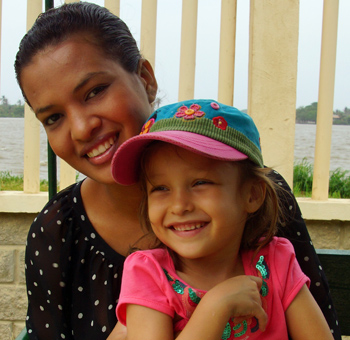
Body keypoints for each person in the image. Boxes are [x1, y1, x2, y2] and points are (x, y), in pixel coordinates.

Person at [14, 2, 340, 340]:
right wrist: (216, 308)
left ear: (145, 79)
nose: (81, 128)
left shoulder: (270, 242)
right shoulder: (63, 232)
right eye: (53, 117)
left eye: (95, 91)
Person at [110, 99, 334, 340]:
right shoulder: (148, 274)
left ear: (252, 195)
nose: (179, 206)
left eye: (200, 183)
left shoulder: (276, 262)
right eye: (160, 188)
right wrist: (216, 306)